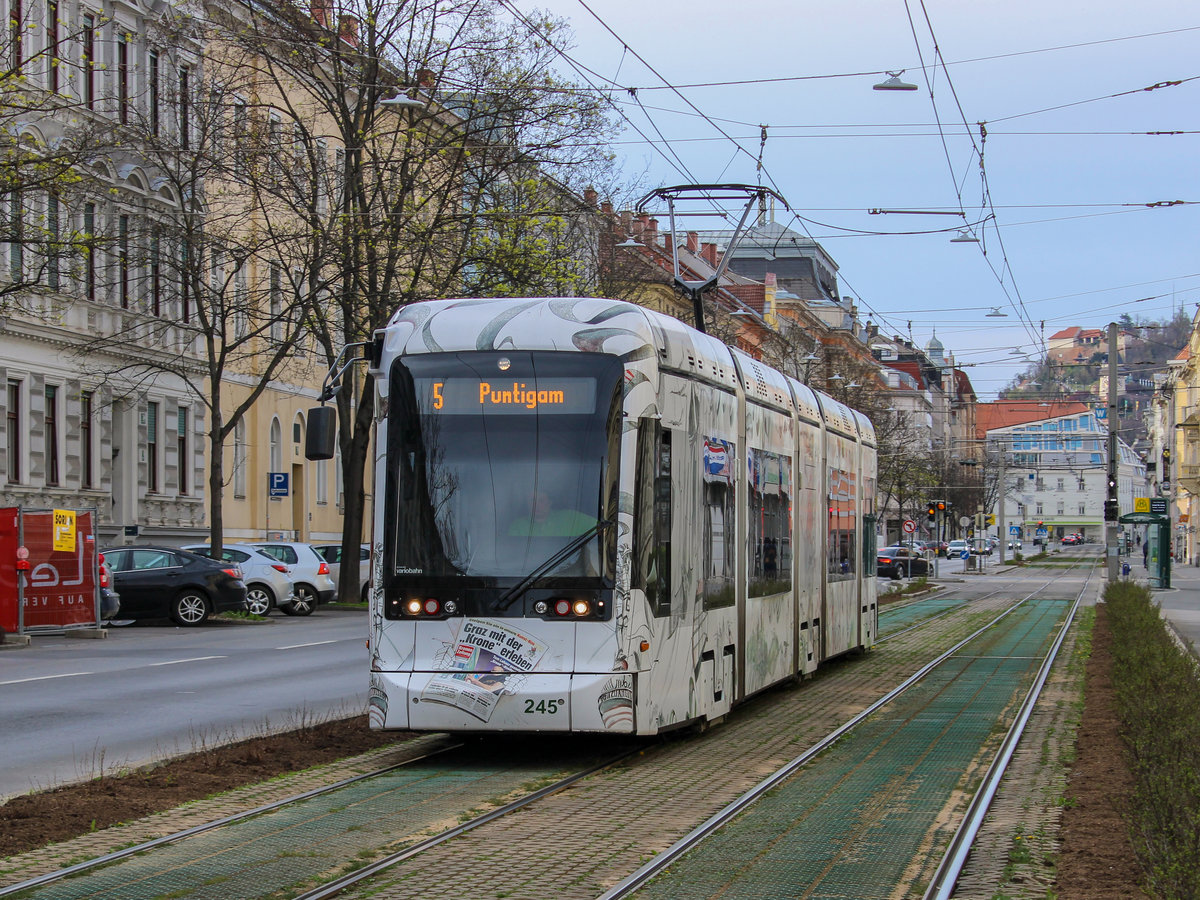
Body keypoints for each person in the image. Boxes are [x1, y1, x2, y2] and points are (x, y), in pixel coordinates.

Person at [508, 490, 597, 538]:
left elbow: (602, 529)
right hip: (527, 571)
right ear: (527, 503)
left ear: (550, 502)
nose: (536, 505)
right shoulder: (517, 526)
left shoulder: (570, 517)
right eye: (532, 500)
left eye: (541, 500)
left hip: (569, 570)